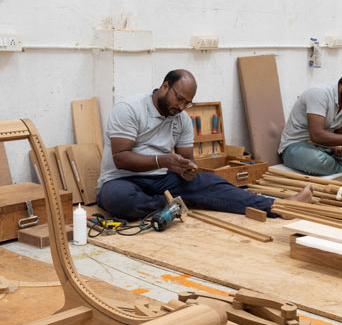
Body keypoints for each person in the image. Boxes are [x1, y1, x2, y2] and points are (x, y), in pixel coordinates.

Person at [96, 69, 310, 220]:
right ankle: (179, 203)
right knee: (119, 199)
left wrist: (189, 170)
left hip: (161, 179)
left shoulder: (182, 119)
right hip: (121, 179)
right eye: (178, 99)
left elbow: (187, 159)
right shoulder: (129, 109)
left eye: (187, 103)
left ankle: (279, 206)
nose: (181, 107)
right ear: (164, 86)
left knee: (211, 183)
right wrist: (164, 161)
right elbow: (121, 158)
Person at [278, 67, 342, 176]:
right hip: (297, 146)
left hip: (324, 146)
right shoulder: (319, 93)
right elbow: (317, 136)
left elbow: (339, 135)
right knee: (317, 160)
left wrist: (340, 147)